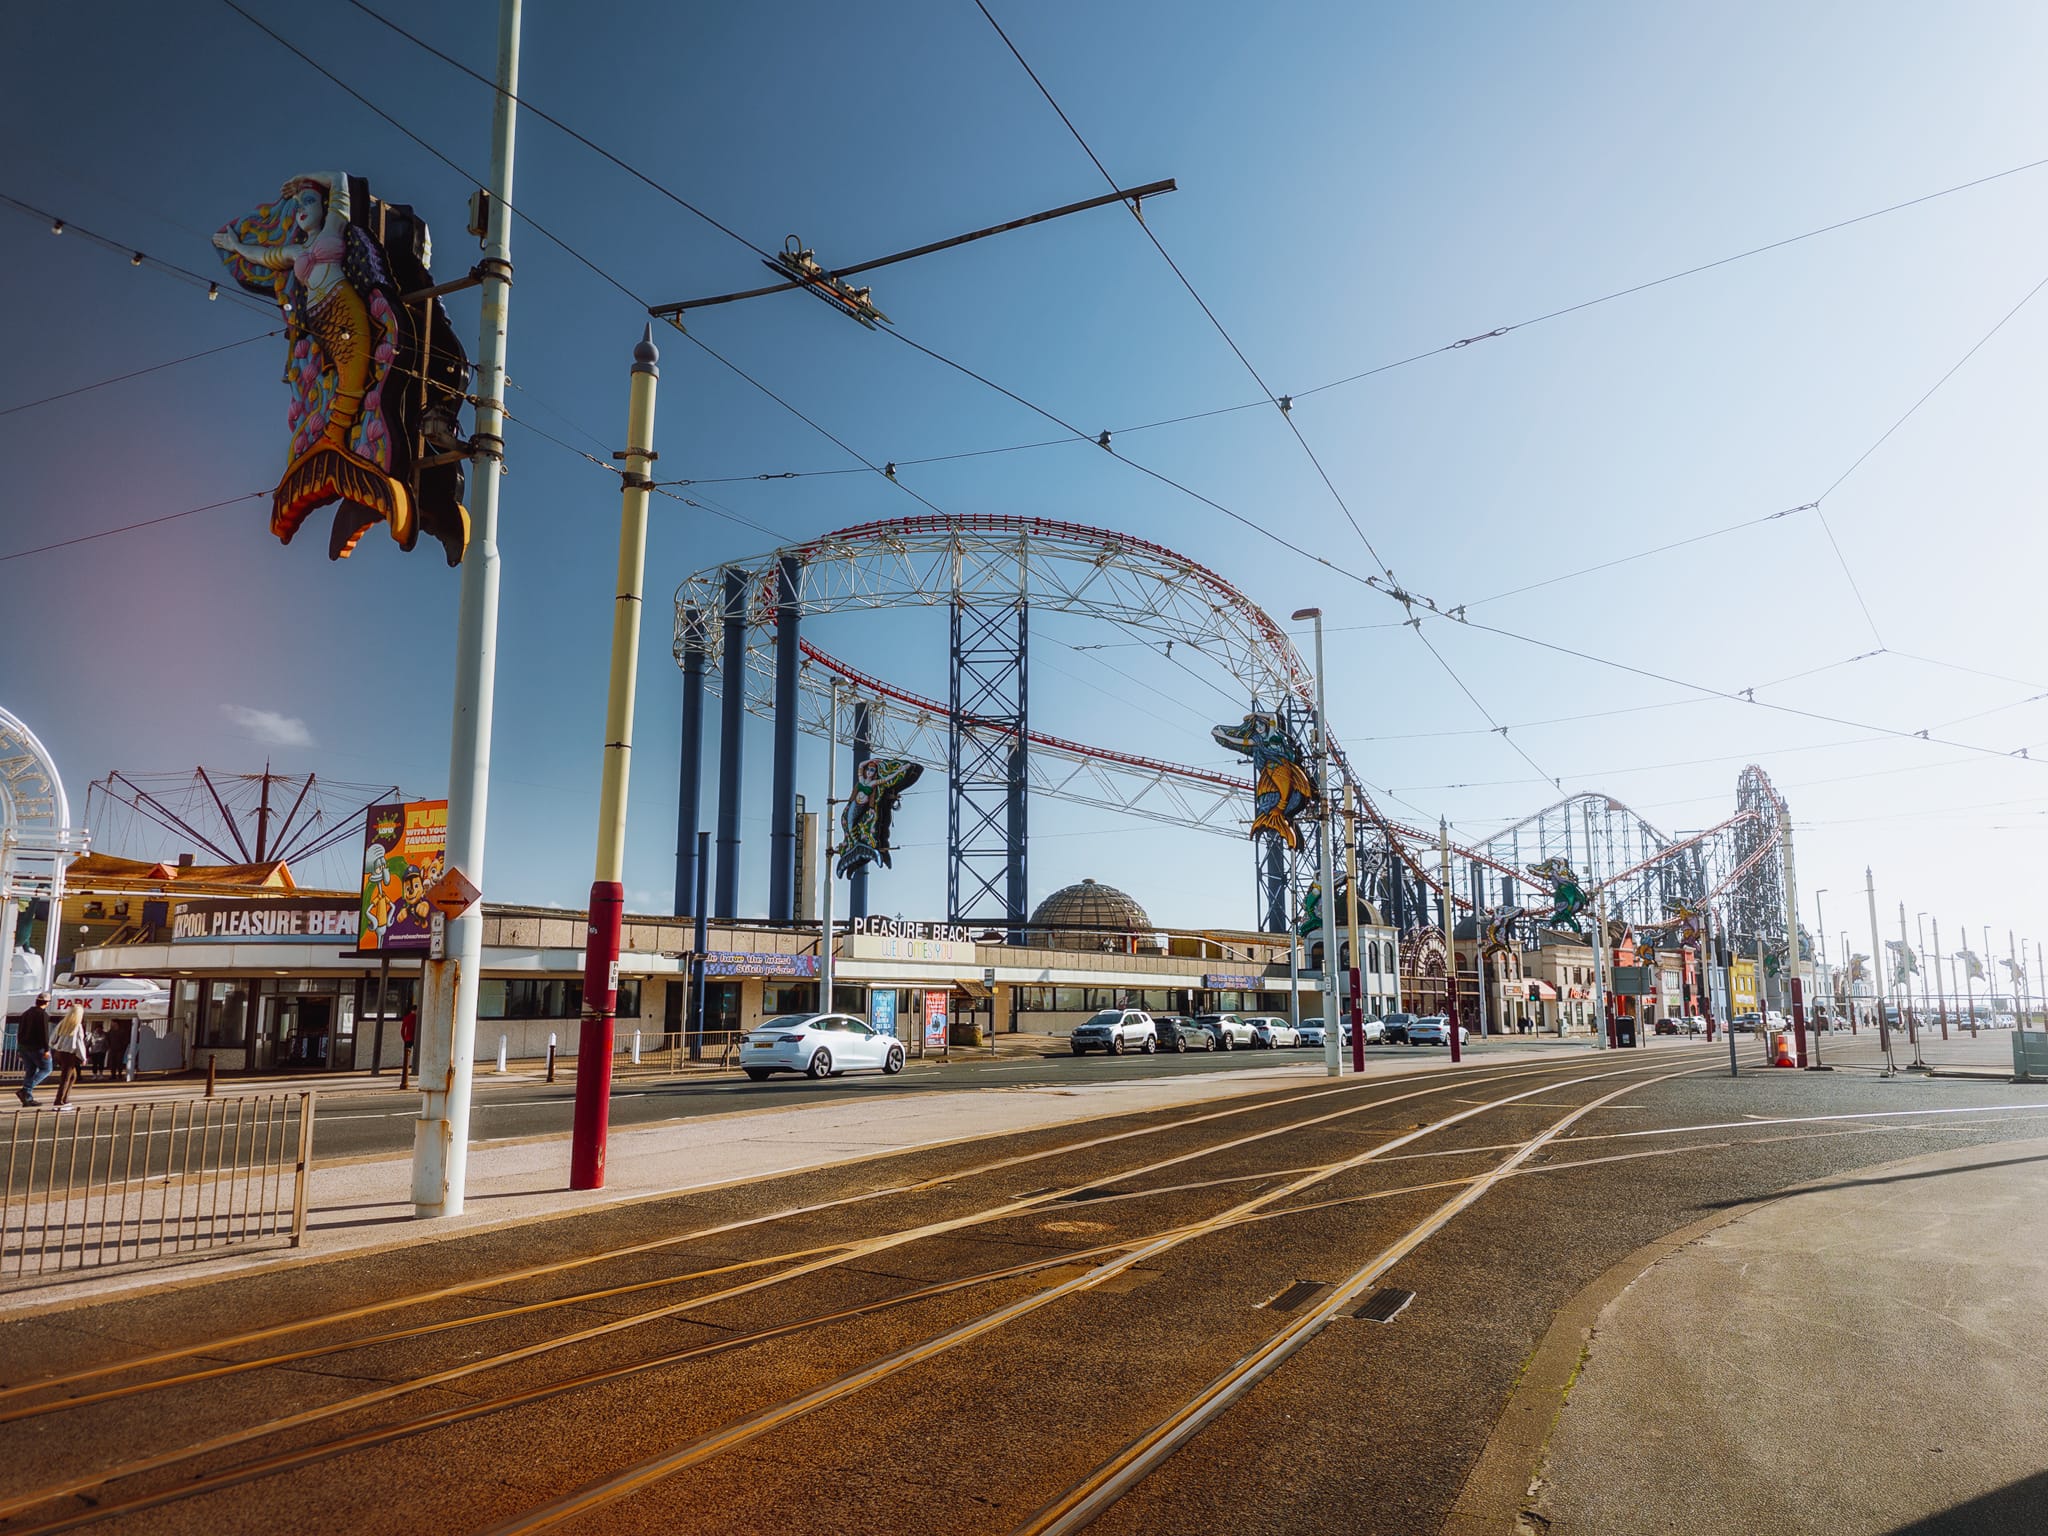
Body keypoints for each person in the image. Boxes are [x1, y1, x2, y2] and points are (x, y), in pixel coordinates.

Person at [49, 1003, 89, 1111]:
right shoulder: (77, 1026)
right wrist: (83, 1057)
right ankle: (59, 1102)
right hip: (69, 1054)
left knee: (72, 1076)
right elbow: (79, 1043)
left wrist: (55, 1046)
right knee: (66, 1078)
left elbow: (52, 1038)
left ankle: (64, 1099)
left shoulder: (63, 1023)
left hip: (59, 1052)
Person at [16, 994, 53, 1107]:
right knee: (46, 1069)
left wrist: (19, 1048)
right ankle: (26, 1090)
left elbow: (20, 1031)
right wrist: (46, 1049)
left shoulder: (26, 1013)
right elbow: (44, 1033)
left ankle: (28, 1098)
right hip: (37, 1048)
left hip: (24, 1047)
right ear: (47, 1002)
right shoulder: (42, 1015)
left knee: (30, 1071)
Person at [399, 1006, 418, 1073]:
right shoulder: (417, 1018)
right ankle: (416, 1068)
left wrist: (404, 1038)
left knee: (406, 1055)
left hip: (407, 1038)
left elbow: (402, 1029)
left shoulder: (407, 1017)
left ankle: (405, 1070)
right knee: (417, 1054)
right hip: (415, 1039)